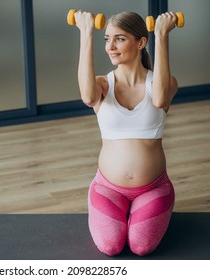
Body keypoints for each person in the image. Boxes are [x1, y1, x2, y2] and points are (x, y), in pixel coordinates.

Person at [74, 10, 179, 256]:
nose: (110, 46)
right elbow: (88, 97)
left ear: (141, 42)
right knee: (111, 246)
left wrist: (161, 35)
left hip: (153, 188)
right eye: (106, 39)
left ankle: (144, 211)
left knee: (141, 247)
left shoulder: (163, 84)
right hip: (108, 188)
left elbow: (161, 97)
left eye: (119, 39)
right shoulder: (101, 85)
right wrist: (86, 33)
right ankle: (113, 210)